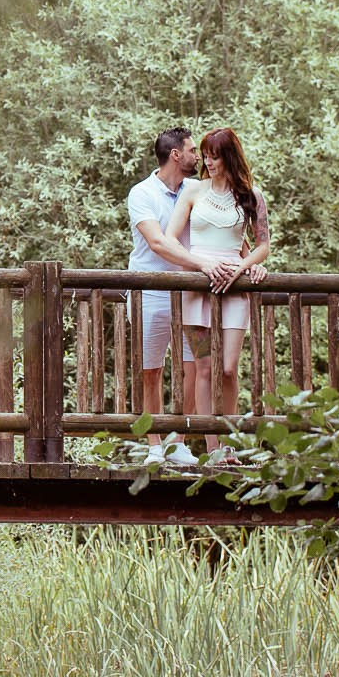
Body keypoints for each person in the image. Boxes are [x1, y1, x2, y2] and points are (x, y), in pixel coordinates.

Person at [167, 127, 270, 451]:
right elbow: (170, 237)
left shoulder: (251, 195)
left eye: (215, 156)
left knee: (227, 368)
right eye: (206, 156)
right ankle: (214, 449)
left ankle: (230, 442)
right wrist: (200, 264)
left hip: (234, 286)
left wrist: (244, 266)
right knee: (204, 367)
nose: (208, 162)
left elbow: (263, 245)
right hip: (198, 283)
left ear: (229, 157)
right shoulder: (193, 191)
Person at [126, 127, 219, 468]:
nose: (199, 157)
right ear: (176, 155)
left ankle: (178, 442)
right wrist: (203, 264)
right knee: (151, 370)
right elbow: (159, 243)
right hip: (149, 294)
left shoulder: (200, 191)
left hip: (192, 296)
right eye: (193, 150)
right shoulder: (142, 193)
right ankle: (154, 446)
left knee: (194, 367)